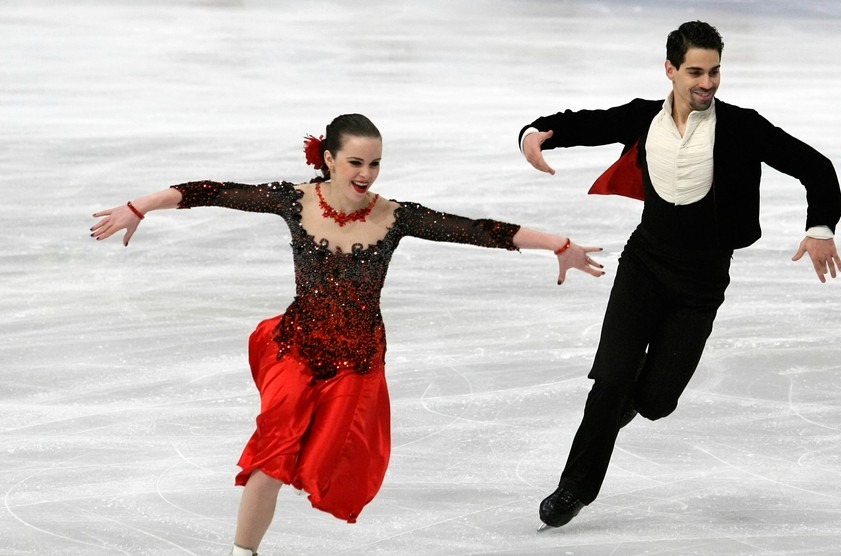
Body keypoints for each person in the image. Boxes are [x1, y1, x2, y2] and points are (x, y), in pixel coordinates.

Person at [91, 113, 605, 555]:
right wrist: (139, 207)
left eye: (375, 162)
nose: (366, 173)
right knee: (271, 452)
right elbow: (212, 192)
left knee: (329, 466)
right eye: (356, 162)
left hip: (356, 362)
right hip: (296, 349)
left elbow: (475, 229)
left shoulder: (394, 217)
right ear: (330, 160)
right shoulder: (293, 201)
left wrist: (556, 243)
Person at [518, 21, 841, 529]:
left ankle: (630, 403)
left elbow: (815, 166)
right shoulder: (644, 118)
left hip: (701, 280)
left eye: (715, 71)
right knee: (609, 382)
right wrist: (535, 134)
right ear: (670, 69)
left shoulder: (741, 126)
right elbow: (588, 123)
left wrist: (820, 227)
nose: (707, 82)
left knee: (654, 401)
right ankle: (573, 489)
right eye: (695, 71)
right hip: (645, 263)